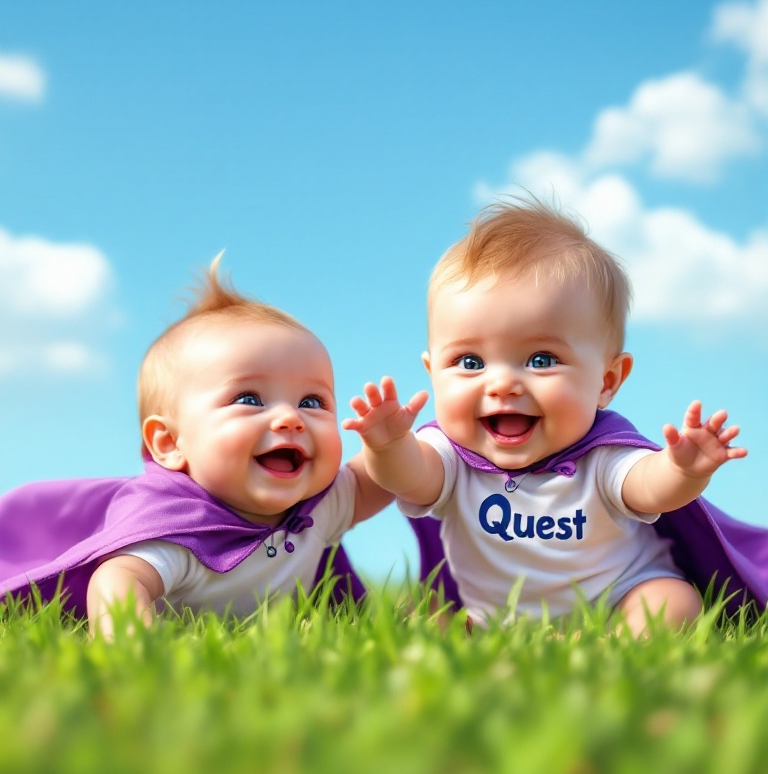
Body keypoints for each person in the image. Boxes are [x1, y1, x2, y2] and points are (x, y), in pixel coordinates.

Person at [344, 197, 754, 635]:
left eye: (541, 360)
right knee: (424, 620)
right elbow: (410, 477)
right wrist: (388, 446)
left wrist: (681, 469)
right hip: (492, 614)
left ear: (606, 381)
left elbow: (650, 489)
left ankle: (610, 646)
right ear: (432, 372)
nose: (501, 384)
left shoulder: (602, 454)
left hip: (617, 598)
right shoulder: (449, 453)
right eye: (469, 361)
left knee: (672, 603)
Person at [1, 259, 390, 637]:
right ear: (170, 443)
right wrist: (137, 646)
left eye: (312, 402)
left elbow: (382, 478)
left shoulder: (321, 504)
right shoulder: (178, 529)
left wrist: (391, 444)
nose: (291, 417)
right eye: (250, 399)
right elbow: (119, 579)